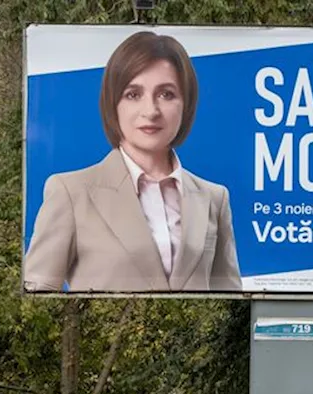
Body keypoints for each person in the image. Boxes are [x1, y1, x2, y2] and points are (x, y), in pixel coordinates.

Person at [23, 31, 241, 294]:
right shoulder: (70, 192)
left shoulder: (214, 199)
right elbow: (37, 298)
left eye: (166, 94)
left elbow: (230, 301)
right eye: (133, 94)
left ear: (186, 104)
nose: (150, 111)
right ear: (113, 103)